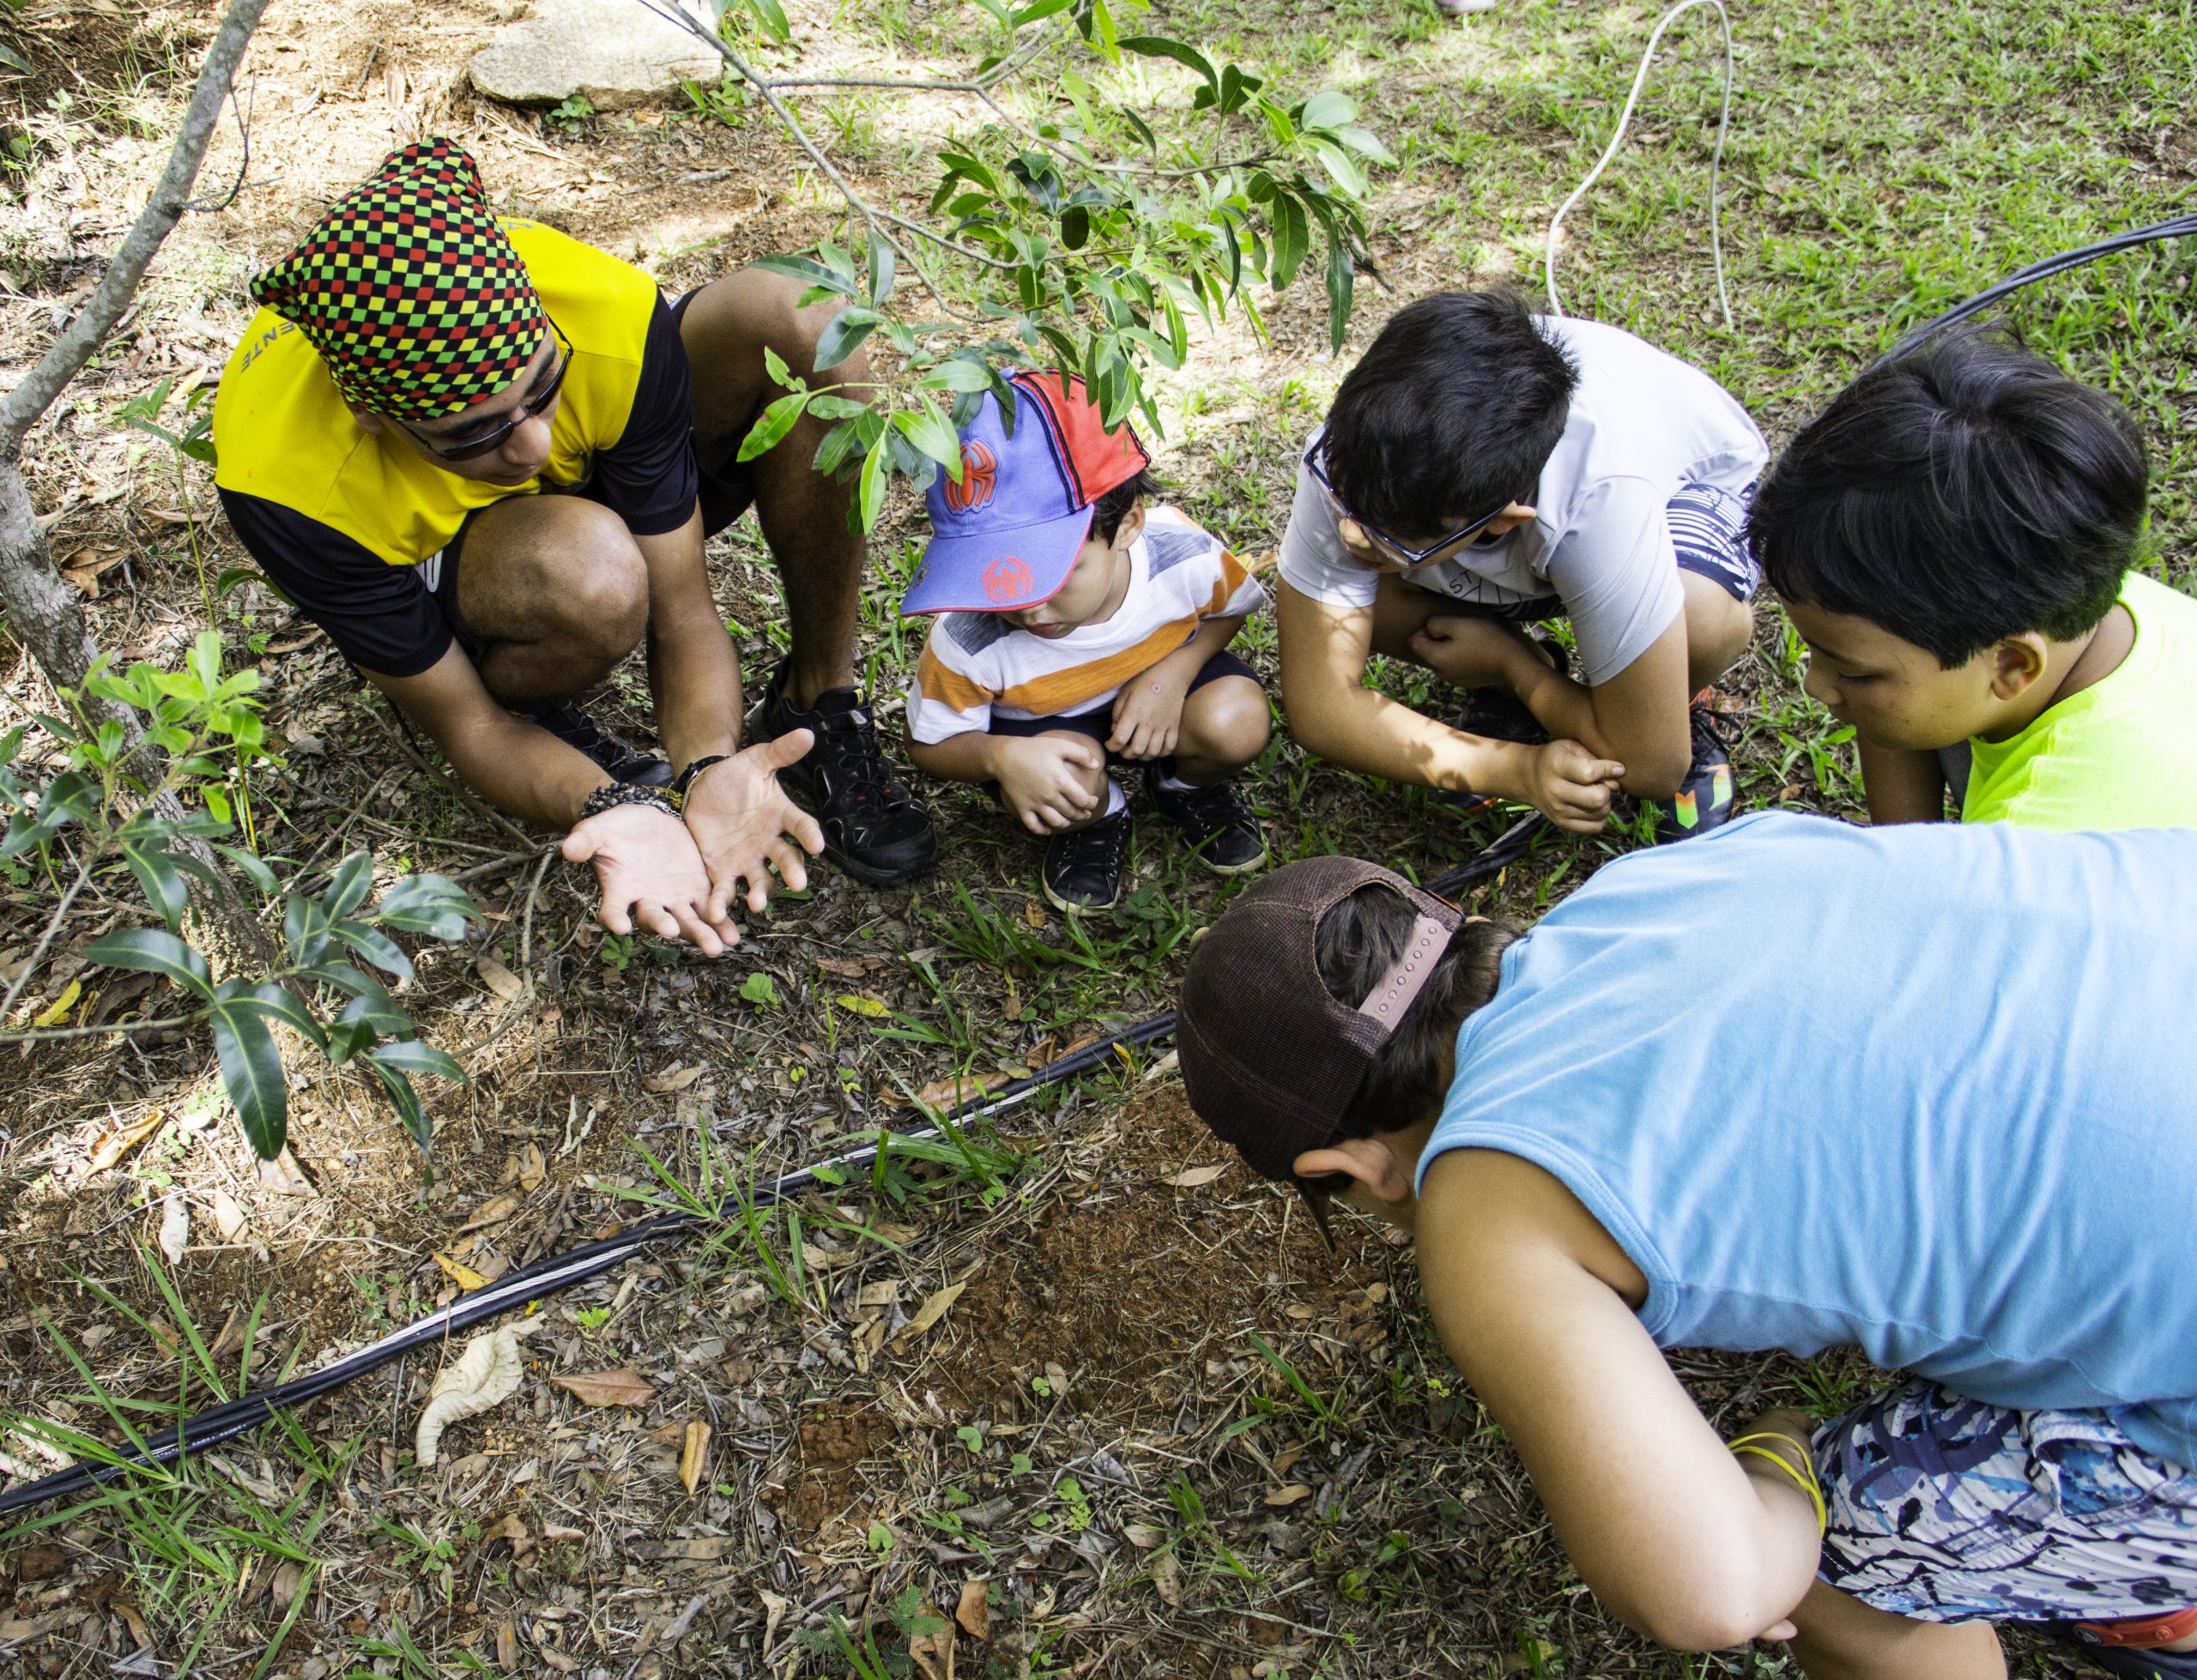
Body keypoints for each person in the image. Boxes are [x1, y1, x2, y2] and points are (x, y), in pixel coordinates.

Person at [1175, 819, 2197, 1680]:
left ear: (1350, 1168)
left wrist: (1783, 1452)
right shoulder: (1665, 873)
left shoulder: (1482, 1204)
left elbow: (1713, 1591)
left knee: (1831, 1569)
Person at [212, 139, 937, 956]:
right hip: (478, 565)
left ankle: (819, 700)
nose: (535, 447)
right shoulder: (287, 484)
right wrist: (607, 804)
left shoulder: (604, 314)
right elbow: (472, 730)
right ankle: (540, 696)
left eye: (544, 391)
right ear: (374, 415)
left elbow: (685, 608)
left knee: (803, 320)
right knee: (590, 569)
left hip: (588, 484)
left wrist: (705, 767)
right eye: (476, 435)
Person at [1275, 289, 1767, 842]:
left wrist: (1516, 669)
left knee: (1700, 620)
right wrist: (1518, 771)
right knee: (1368, 602)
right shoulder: (1360, 452)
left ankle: (1678, 697)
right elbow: (1321, 708)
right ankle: (1573, 694)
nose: (1348, 529)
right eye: (1343, 498)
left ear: (1503, 522)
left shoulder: (1602, 502)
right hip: (1518, 534)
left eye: (1393, 537)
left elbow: (1651, 766)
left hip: (1688, 495)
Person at [1746, 326, 2197, 830]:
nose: (1815, 686)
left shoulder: (2034, 847)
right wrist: (1907, 855)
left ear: (2011, 662)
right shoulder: (2061, 585)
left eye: (1852, 672)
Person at [899, 372, 1270, 912]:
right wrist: (1002, 757)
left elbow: (1228, 610)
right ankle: (1100, 814)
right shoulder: (969, 636)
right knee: (1064, 785)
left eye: (1052, 573)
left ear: (1128, 526)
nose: (1025, 605)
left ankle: (1183, 785)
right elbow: (929, 742)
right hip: (1043, 733)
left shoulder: (1184, 556)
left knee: (1237, 721)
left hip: (1163, 695)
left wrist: (1174, 674)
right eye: (988, 572)